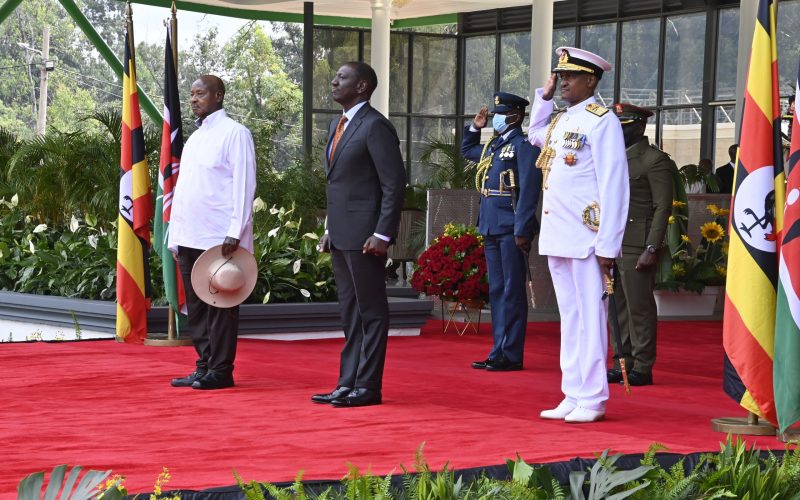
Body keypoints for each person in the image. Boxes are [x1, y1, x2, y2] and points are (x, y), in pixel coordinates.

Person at [527, 47, 629, 423]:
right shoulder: (560, 120)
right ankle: (573, 391)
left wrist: (608, 243)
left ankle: (593, 397)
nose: (564, 81)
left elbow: (615, 185)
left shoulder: (601, 121)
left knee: (590, 316)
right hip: (559, 233)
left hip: (588, 237)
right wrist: (544, 96)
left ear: (591, 80)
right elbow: (534, 134)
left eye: (570, 76)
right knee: (570, 317)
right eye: (560, 75)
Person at [311, 62, 406, 408]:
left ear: (363, 86)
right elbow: (340, 185)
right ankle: (346, 382)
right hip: (341, 235)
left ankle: (367, 387)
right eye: (335, 76)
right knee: (350, 312)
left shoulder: (375, 126)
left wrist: (382, 233)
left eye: (343, 77)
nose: (334, 81)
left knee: (371, 312)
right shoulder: (338, 124)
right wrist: (328, 230)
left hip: (367, 237)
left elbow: (393, 184)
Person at [168, 75, 256, 390]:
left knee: (221, 307)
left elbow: (244, 185)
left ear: (218, 95)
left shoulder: (235, 133)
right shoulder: (194, 139)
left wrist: (235, 231)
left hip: (219, 238)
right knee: (198, 306)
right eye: (191, 94)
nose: (194, 99)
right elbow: (185, 190)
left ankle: (221, 370)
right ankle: (204, 364)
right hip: (189, 235)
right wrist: (174, 236)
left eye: (200, 93)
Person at [461, 92, 542, 372]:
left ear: (516, 116)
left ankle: (511, 352)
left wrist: (523, 229)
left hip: (510, 227)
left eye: (501, 113)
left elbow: (529, 191)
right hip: (491, 225)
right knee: (496, 290)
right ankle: (498, 350)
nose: (496, 118)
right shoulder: (495, 146)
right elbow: (467, 151)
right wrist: (475, 127)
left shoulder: (524, 147)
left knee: (511, 291)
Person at [606, 103, 676, 387]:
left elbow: (662, 207)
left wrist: (652, 248)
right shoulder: (612, 157)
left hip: (638, 243)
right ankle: (622, 361)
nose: (618, 134)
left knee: (639, 307)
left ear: (639, 127)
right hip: (613, 241)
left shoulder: (653, 159)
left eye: (623, 128)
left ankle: (643, 366)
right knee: (618, 306)